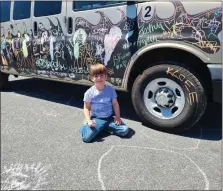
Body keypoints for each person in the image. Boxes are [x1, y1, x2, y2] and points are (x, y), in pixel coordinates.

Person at [80, 63, 129, 143]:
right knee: (86, 138)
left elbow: (115, 104)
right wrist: (89, 120)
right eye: (96, 76)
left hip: (109, 118)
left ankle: (104, 128)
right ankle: (85, 126)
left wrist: (117, 117)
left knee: (124, 130)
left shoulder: (111, 90)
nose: (99, 78)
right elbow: (86, 108)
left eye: (102, 75)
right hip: (97, 118)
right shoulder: (89, 93)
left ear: (106, 76)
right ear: (92, 78)